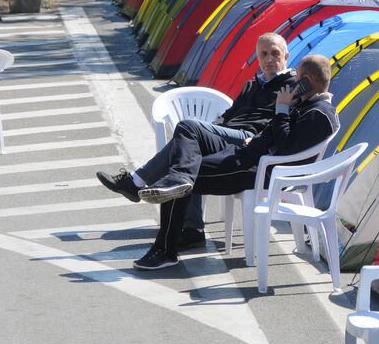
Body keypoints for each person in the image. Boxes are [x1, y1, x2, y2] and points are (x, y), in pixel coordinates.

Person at [125, 54, 338, 270]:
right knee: (187, 132)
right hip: (249, 154)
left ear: (307, 81)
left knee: (176, 179)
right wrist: (257, 138)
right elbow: (277, 136)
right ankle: (178, 187)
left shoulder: (319, 114)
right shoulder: (305, 105)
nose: (293, 83)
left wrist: (282, 108)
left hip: (255, 168)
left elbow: (285, 147)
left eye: (298, 78)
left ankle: (165, 250)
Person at [96, 33, 296, 251]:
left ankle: (135, 183)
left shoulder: (291, 86)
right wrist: (211, 130)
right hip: (228, 134)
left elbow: (283, 122)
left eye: (275, 54)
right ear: (257, 58)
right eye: (263, 54)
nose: (269, 59)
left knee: (188, 128)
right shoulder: (252, 85)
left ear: (286, 56)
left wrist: (254, 136)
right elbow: (227, 115)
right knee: (189, 152)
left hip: (250, 141)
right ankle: (192, 231)